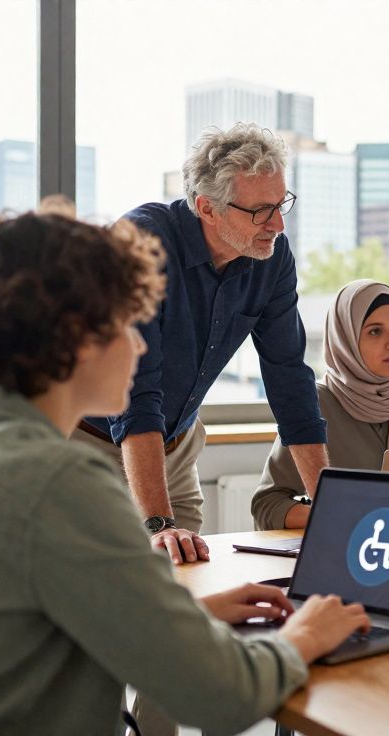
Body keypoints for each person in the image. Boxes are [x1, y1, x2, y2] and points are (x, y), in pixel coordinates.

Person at [0, 213, 369, 734]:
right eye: (127, 322)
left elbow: (43, 622)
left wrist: (190, 615)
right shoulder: (60, 482)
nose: (141, 346)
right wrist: (306, 635)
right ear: (74, 336)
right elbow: (222, 696)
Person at [73, 123, 329, 565]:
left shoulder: (271, 257)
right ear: (208, 208)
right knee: (100, 596)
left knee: (186, 584)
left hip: (172, 448)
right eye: (261, 211)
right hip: (90, 447)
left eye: (282, 203)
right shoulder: (142, 242)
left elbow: (290, 380)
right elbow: (137, 391)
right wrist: (157, 523)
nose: (278, 223)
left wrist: (332, 506)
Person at [252, 279, 389, 529]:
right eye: (375, 331)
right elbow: (267, 506)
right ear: (345, 340)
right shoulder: (316, 403)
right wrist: (344, 517)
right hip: (347, 553)